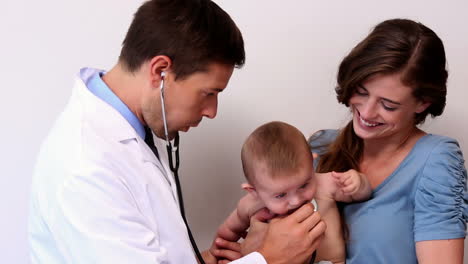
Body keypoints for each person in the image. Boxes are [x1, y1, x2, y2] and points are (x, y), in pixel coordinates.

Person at [28, 0, 326, 263]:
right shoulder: (84, 166)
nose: (212, 111)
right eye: (208, 93)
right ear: (160, 71)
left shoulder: (134, 130)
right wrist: (269, 259)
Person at [308, 18, 467, 263]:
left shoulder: (435, 161)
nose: (368, 112)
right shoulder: (321, 148)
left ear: (422, 103)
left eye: (388, 105)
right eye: (361, 91)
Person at [209, 121, 372, 264]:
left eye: (303, 185)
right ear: (254, 191)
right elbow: (228, 232)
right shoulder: (250, 205)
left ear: (312, 161)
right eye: (280, 195)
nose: (296, 200)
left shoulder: (324, 183)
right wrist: (213, 254)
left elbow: (364, 194)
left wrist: (357, 183)